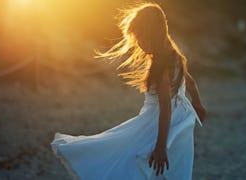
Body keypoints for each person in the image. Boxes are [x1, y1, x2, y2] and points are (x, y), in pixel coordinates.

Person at [50, 2, 206, 180]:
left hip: (156, 124)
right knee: (169, 168)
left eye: (141, 37)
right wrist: (197, 104)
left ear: (153, 34)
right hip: (180, 122)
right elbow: (190, 82)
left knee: (126, 154)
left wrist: (161, 146)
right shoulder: (174, 56)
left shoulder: (161, 65)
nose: (138, 43)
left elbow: (165, 107)